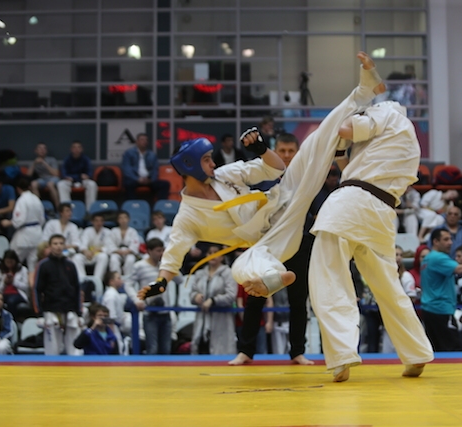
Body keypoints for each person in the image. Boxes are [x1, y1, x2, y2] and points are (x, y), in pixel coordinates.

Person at [138, 51, 385, 303]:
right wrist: (161, 282)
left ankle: (365, 89)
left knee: (315, 142)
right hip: (271, 240)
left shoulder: (223, 175)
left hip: (281, 202)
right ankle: (273, 276)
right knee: (240, 266)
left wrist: (262, 150)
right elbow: (173, 254)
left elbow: (275, 169)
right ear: (190, 168)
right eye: (206, 160)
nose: (213, 163)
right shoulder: (187, 218)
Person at [308, 96, 434, 382]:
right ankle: (415, 351)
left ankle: (342, 355)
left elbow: (345, 128)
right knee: (388, 286)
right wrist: (342, 151)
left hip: (350, 203)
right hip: (382, 210)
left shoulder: (383, 113)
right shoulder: (407, 136)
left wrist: (350, 109)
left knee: (328, 277)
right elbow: (352, 166)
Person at [229, 133, 315, 366]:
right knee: (255, 297)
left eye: (291, 151)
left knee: (298, 299)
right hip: (266, 243)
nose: (286, 155)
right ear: (275, 151)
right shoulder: (263, 175)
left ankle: (297, 351)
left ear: (297, 153)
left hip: (298, 243)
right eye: (282, 151)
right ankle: (245, 351)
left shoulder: (306, 177)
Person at [126, 238, 178, 355]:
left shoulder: (165, 266)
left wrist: (171, 265)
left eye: (163, 250)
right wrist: (137, 300)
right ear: (149, 251)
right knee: (152, 349)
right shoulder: (140, 266)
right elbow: (128, 284)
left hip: (165, 312)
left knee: (166, 350)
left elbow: (180, 280)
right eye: (158, 251)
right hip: (150, 313)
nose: (161, 253)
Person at [33, 234, 83, 356]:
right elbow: (36, 289)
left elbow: (77, 289)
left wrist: (79, 313)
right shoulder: (43, 265)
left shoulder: (70, 265)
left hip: (70, 310)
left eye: (61, 243)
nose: (58, 246)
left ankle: (76, 367)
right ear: (50, 246)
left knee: (75, 349)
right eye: (55, 244)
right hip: (51, 310)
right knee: (52, 349)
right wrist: (39, 313)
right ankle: (51, 367)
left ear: (65, 246)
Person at [189, 244, 237, 355]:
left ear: (222, 256)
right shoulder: (200, 273)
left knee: (221, 353)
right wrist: (195, 297)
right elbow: (192, 293)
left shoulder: (228, 273)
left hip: (221, 320)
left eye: (216, 253)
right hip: (202, 320)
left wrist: (213, 300)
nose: (212, 255)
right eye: (210, 253)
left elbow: (231, 295)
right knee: (200, 352)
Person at [1, 177, 45, 272]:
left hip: (24, 235)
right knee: (33, 266)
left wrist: (8, 223)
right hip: (37, 234)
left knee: (12, 261)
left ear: (18, 189)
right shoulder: (36, 199)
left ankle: (10, 278)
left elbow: (19, 221)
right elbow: (42, 219)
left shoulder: (22, 200)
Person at [121, 133, 170, 201]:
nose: (144, 141)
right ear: (137, 141)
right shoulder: (129, 153)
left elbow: (155, 169)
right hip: (134, 179)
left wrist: (151, 180)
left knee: (165, 184)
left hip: (148, 179)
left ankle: (160, 205)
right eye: (142, 140)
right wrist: (137, 179)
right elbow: (126, 168)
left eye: (146, 140)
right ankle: (132, 205)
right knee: (128, 184)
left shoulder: (152, 154)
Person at [57, 141, 98, 209]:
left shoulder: (86, 159)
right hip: (70, 181)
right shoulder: (67, 159)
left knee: (92, 184)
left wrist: (87, 176)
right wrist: (75, 176)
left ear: (81, 149)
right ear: (71, 149)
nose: (76, 149)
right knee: (61, 184)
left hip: (83, 181)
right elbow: (64, 174)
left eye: (78, 147)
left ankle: (90, 210)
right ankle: (66, 209)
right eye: (74, 147)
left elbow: (90, 173)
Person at [72, 213, 111, 282]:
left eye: (101, 221)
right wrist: (86, 251)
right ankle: (83, 280)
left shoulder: (107, 232)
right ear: (92, 222)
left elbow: (109, 247)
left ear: (103, 222)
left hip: (98, 255)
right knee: (77, 257)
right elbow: (83, 245)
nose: (99, 223)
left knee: (103, 257)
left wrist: (99, 249)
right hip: (88, 254)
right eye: (96, 221)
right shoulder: (87, 231)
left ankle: (97, 281)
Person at [0, 250, 30, 319]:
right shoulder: (0, 271)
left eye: (11, 262)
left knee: (11, 301)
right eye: (7, 262)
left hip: (18, 294)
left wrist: (13, 281)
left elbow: (26, 287)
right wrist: (4, 283)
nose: (9, 264)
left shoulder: (23, 270)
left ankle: (12, 320)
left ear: (15, 261)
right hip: (4, 294)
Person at [102, 271, 130, 354]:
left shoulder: (114, 293)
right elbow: (110, 317)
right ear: (111, 281)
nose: (121, 280)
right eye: (118, 278)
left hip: (116, 327)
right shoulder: (111, 295)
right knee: (118, 350)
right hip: (112, 327)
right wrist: (112, 336)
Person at [108, 210, 141, 277]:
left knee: (130, 259)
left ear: (128, 219)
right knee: (113, 259)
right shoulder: (113, 231)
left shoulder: (133, 231)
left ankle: (128, 278)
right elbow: (110, 244)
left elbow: (135, 245)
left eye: (125, 217)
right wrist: (118, 251)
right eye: (121, 218)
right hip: (117, 252)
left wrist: (127, 251)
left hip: (129, 252)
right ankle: (116, 278)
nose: (123, 220)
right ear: (118, 220)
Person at [28, 142, 60, 208]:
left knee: (50, 184)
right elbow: (28, 176)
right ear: (36, 151)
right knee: (33, 184)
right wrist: (34, 164)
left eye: (44, 148)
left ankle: (58, 208)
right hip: (42, 179)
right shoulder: (34, 162)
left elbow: (56, 174)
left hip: (52, 178)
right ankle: (38, 207)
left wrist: (44, 163)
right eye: (40, 148)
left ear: (46, 151)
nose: (42, 150)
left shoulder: (52, 159)